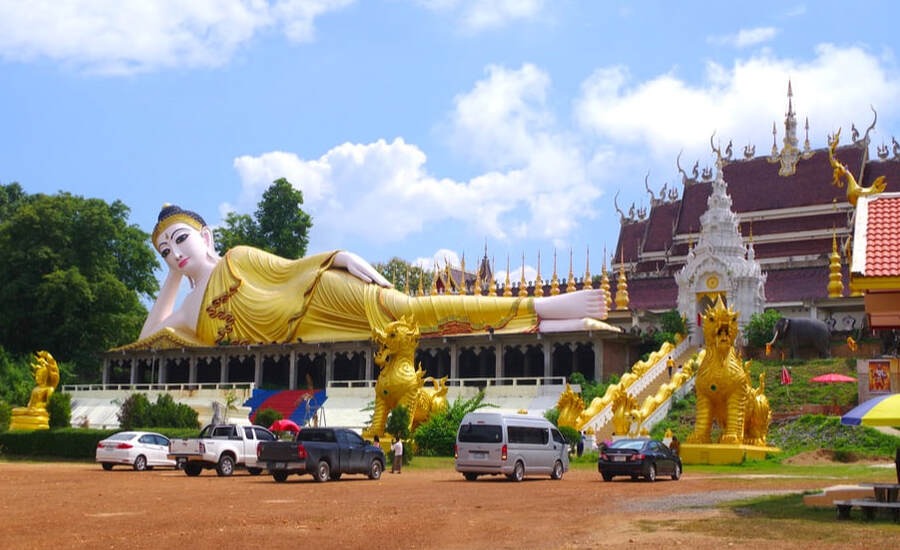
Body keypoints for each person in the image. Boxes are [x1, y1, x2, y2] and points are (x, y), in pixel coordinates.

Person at [137, 205, 613, 347]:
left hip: (324, 294)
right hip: (310, 336)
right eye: (165, 251)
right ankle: (536, 324)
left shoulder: (237, 257)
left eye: (181, 239)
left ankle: (539, 308)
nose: (175, 253)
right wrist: (173, 279)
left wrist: (342, 257)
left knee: (410, 310)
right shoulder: (188, 310)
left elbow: (292, 271)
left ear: (207, 237)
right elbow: (145, 341)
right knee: (417, 331)